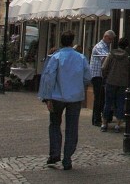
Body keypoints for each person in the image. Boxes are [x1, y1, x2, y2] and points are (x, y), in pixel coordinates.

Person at [38, 30, 91, 171]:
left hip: (57, 96)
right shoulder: (81, 58)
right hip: (75, 97)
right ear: (72, 42)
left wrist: (47, 97)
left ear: (61, 42)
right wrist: (79, 85)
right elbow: (88, 76)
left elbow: (49, 77)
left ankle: (55, 154)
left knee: (55, 124)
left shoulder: (56, 57)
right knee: (72, 127)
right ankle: (67, 158)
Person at [100, 38, 130, 132]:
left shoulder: (111, 55)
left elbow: (104, 67)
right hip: (122, 83)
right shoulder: (127, 57)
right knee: (120, 103)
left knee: (108, 103)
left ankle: (104, 123)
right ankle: (118, 125)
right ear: (126, 46)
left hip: (110, 81)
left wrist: (106, 76)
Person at [89, 30, 114, 127]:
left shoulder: (106, 46)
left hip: (101, 75)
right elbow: (105, 59)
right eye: (111, 39)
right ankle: (96, 119)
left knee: (102, 97)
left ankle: (101, 117)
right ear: (106, 37)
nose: (111, 41)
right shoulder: (100, 46)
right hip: (97, 75)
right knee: (98, 98)